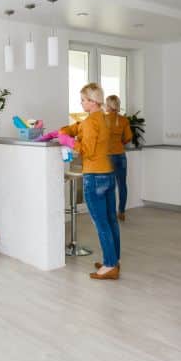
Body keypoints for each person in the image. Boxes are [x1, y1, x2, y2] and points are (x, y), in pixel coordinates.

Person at [43, 83, 119, 279]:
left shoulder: (90, 122)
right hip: (108, 174)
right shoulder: (104, 118)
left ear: (93, 102)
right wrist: (62, 131)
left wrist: (67, 141)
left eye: (83, 99)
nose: (81, 102)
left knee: (101, 223)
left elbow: (86, 150)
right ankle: (113, 260)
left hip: (94, 176)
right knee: (110, 221)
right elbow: (78, 127)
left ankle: (109, 265)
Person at [105, 95, 133, 221]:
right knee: (122, 185)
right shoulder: (123, 120)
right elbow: (128, 138)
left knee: (109, 186)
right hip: (121, 156)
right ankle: (121, 211)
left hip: (108, 157)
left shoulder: (103, 119)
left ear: (108, 106)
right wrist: (119, 143)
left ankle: (110, 213)